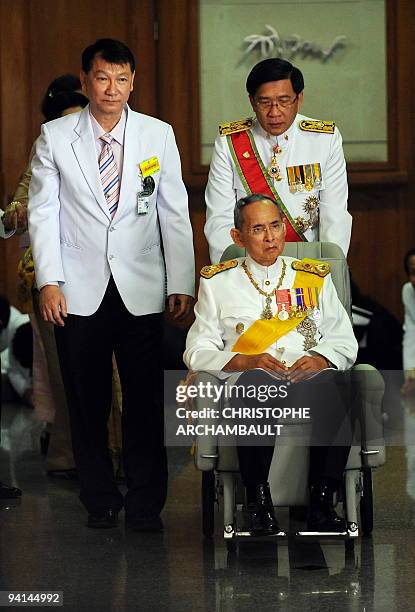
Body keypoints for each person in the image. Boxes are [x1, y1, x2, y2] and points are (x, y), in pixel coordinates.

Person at [28, 38, 195, 531]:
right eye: (102, 78)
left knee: (145, 400)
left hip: (141, 285)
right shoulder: (55, 137)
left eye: (122, 80)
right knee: (87, 400)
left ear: (133, 82)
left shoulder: (157, 135)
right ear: (85, 80)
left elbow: (174, 211)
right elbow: (43, 214)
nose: (112, 89)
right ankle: (99, 497)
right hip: (77, 289)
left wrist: (180, 280)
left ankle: (146, 503)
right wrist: (49, 281)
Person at [184, 194, 357, 534]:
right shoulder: (217, 282)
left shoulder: (312, 278)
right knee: (256, 385)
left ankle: (322, 501)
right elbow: (196, 349)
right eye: (259, 229)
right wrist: (242, 360)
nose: (270, 237)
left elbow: (344, 340)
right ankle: (257, 501)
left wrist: (321, 359)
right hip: (250, 382)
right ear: (238, 237)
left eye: (276, 226)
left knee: (338, 385)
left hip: (305, 380)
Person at [204, 58, 351, 263]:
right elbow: (219, 219)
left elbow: (335, 215)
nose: (274, 112)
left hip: (307, 261)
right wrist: (230, 275)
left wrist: (328, 270)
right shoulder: (230, 142)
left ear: (299, 99)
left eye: (284, 101)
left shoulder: (324, 138)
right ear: (252, 101)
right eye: (265, 102)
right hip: (249, 264)